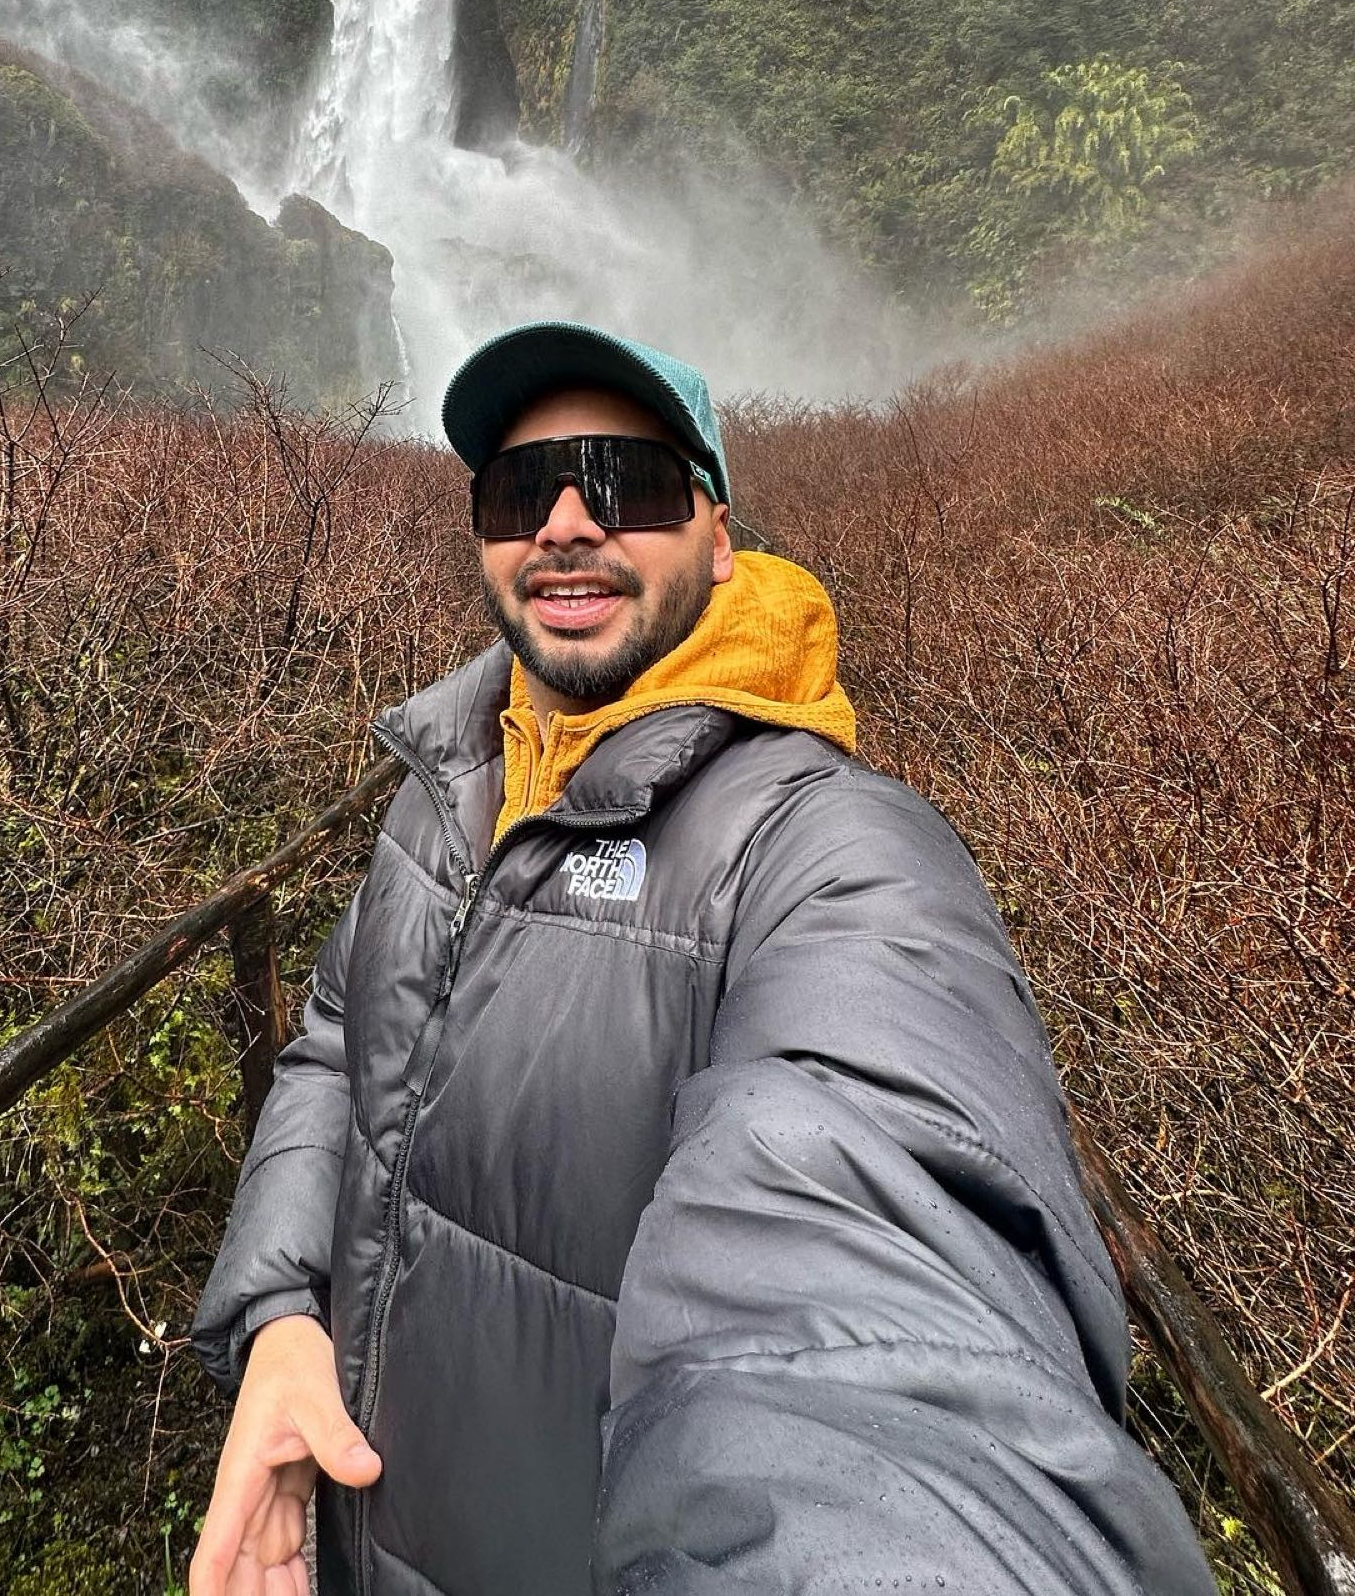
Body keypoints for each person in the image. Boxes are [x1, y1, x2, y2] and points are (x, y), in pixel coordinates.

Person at [190, 322, 1213, 1596]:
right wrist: (282, 1315)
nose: (566, 523)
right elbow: (340, 1040)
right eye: (519, 490)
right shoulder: (451, 781)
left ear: (719, 538)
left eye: (625, 482)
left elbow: (873, 1305)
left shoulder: (830, 852)